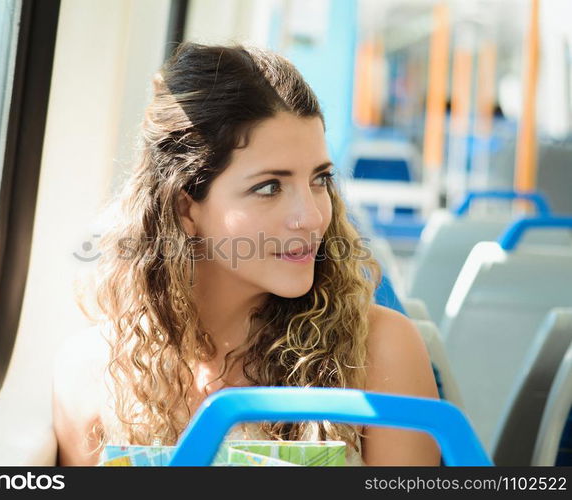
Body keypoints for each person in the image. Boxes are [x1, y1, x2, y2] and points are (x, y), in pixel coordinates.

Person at [52, 42, 440, 466]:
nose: (311, 217)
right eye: (270, 187)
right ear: (185, 208)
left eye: (320, 180)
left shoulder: (381, 352)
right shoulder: (93, 373)